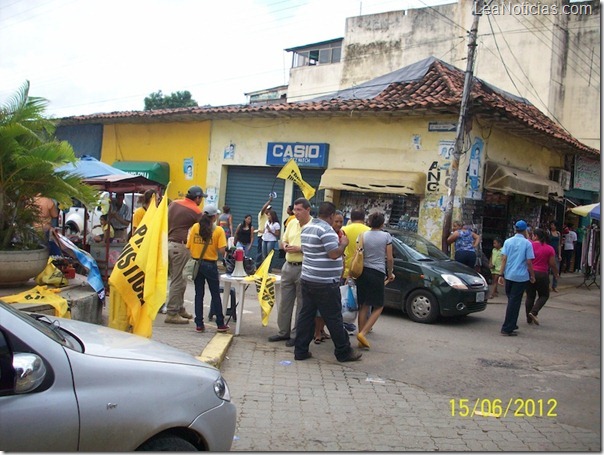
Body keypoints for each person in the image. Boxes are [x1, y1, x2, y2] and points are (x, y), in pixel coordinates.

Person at [294, 201, 362, 363]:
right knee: (334, 318)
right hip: (324, 283)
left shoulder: (307, 228)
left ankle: (300, 350)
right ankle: (343, 352)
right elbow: (333, 254)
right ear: (331, 216)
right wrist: (343, 245)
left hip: (308, 279)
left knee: (306, 315)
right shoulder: (327, 231)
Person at [268, 197, 312, 346]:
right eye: (294, 209)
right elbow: (283, 240)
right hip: (288, 265)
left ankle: (296, 334)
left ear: (308, 210)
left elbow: (317, 248)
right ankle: (283, 332)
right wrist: (285, 245)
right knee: (285, 302)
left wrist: (300, 249)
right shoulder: (292, 222)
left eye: (299, 210)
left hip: (303, 266)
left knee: (301, 304)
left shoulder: (313, 226)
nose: (296, 212)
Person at [164, 185, 206, 324]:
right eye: (201, 198)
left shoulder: (174, 203)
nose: (201, 201)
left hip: (168, 244)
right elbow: (205, 228)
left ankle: (179, 308)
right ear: (197, 197)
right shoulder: (195, 210)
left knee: (177, 278)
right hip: (180, 246)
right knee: (178, 281)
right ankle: (172, 313)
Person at [355, 212, 395, 350]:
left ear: (369, 222)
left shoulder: (362, 235)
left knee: (364, 305)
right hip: (377, 272)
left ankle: (361, 337)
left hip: (362, 272)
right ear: (383, 223)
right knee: (379, 306)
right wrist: (390, 273)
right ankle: (363, 333)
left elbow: (358, 254)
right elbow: (389, 258)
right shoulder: (386, 236)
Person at [187, 204, 229, 333]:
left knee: (199, 294)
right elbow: (222, 250)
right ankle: (220, 324)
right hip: (210, 265)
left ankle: (199, 324)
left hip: (197, 264)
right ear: (214, 216)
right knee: (215, 294)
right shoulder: (218, 230)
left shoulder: (195, 227)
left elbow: (188, 246)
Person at [498, 220, 536, 336]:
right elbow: (529, 262)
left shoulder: (508, 242)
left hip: (509, 275)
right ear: (525, 230)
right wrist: (532, 275)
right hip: (520, 277)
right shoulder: (527, 244)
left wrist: (501, 274)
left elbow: (504, 258)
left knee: (511, 300)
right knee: (514, 302)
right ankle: (507, 327)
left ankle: (512, 323)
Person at [313, 210, 345, 344]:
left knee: (327, 310)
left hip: (336, 276)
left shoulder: (341, 234)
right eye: (336, 221)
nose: (338, 224)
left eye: (341, 222)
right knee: (322, 309)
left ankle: (322, 330)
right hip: (324, 278)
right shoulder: (328, 234)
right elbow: (332, 254)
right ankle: (317, 332)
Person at [525, 228, 559, 326]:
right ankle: (534, 312)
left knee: (530, 296)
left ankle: (528, 318)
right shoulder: (549, 248)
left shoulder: (529, 246)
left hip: (530, 272)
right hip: (542, 274)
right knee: (544, 295)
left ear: (535, 236)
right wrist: (556, 273)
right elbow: (552, 263)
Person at [341, 208, 370, 278]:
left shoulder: (343, 230)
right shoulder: (369, 231)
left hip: (345, 270)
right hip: (362, 270)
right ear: (363, 218)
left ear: (351, 217)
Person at [255, 197, 272, 266]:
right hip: (261, 235)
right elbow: (263, 208)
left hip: (267, 236)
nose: (269, 211)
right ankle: (257, 266)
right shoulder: (261, 215)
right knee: (260, 252)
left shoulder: (269, 217)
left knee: (265, 253)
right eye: (268, 209)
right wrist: (269, 201)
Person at [548, 221, 562, 292]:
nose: (552, 226)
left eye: (553, 225)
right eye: (551, 225)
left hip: (555, 253)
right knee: (547, 270)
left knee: (556, 270)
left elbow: (559, 244)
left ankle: (555, 285)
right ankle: (547, 285)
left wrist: (559, 254)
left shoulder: (558, 234)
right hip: (549, 253)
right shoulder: (548, 233)